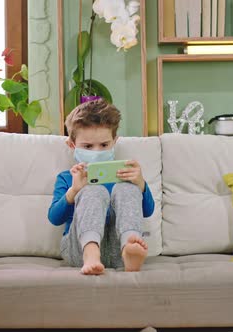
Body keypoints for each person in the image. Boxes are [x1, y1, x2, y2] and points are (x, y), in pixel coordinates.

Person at [47, 99, 155, 275]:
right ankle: (91, 253)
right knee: (92, 190)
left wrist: (141, 184)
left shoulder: (124, 175)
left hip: (117, 248)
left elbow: (148, 211)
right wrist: (74, 191)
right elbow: (54, 218)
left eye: (104, 145)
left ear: (114, 141)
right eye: (88, 146)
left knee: (126, 188)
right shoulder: (68, 178)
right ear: (72, 145)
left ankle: (130, 249)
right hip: (79, 251)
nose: (97, 151)